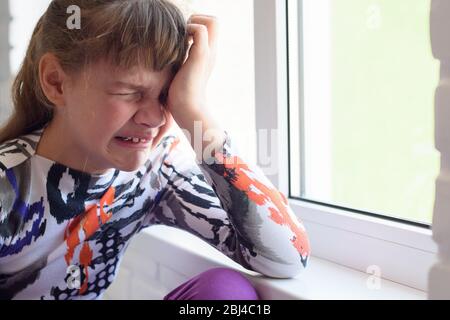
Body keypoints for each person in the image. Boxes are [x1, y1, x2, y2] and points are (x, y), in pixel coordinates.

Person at [0, 0, 310, 300]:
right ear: (56, 82)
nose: (154, 117)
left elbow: (288, 257)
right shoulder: (9, 183)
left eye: (167, 96)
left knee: (225, 293)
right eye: (130, 92)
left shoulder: (156, 169)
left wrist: (193, 108)